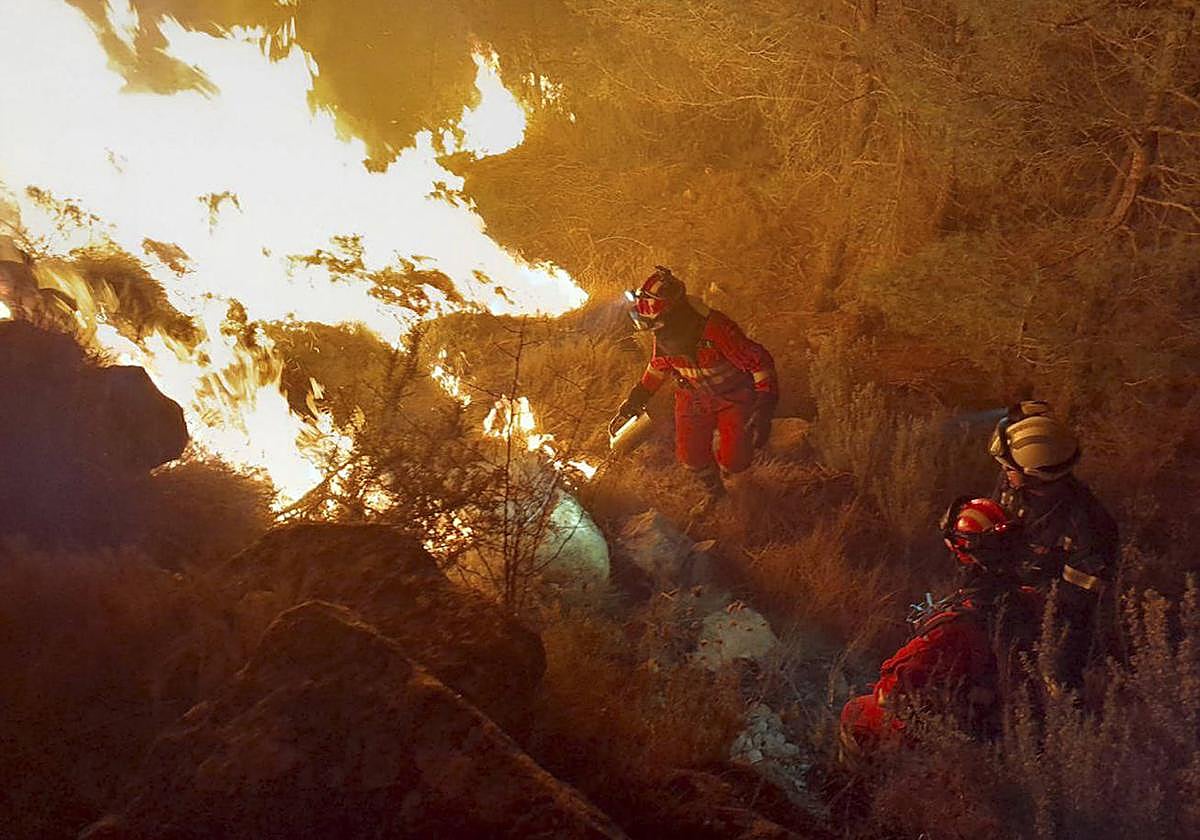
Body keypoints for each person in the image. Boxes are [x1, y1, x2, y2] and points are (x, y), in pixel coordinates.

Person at [840, 498, 1040, 761]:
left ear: (963, 553)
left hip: (965, 743)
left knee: (856, 711)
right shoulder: (1033, 602)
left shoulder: (953, 629)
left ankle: (864, 782)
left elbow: (889, 694)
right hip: (1017, 730)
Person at [609, 266, 778, 512]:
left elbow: (759, 363)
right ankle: (716, 495)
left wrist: (764, 407)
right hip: (692, 398)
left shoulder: (716, 329)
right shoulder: (665, 334)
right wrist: (637, 398)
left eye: (653, 320)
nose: (652, 328)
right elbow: (658, 368)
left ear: (672, 313)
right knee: (691, 456)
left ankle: (742, 493)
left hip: (732, 396)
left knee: (735, 459)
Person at [988, 400, 1119, 692]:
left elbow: (1075, 605)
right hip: (1009, 593)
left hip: (1052, 620)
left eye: (1009, 468)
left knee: (1057, 680)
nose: (1004, 472)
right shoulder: (1016, 484)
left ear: (1036, 474)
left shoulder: (1089, 526)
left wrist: (1025, 596)